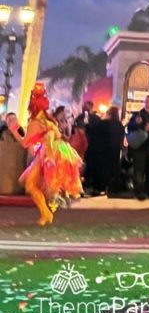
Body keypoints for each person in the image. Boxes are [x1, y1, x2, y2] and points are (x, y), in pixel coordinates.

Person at [12, 84, 83, 225]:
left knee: (31, 185)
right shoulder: (47, 118)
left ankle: (46, 213)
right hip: (56, 151)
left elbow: (26, 143)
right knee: (37, 184)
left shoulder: (36, 121)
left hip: (49, 153)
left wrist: (14, 129)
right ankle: (46, 213)